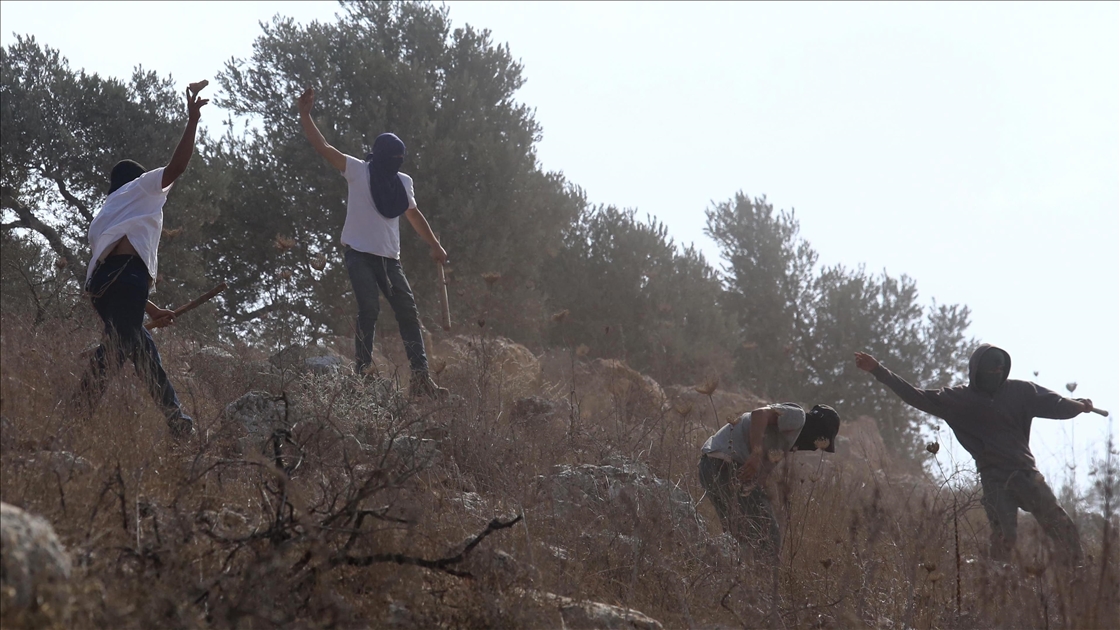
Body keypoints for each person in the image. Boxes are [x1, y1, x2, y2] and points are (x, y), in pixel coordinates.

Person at [855, 345, 1096, 566]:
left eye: (1001, 368)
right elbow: (915, 395)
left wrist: (1077, 405)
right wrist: (879, 370)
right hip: (994, 478)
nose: (998, 372)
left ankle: (1078, 578)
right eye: (992, 368)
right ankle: (997, 590)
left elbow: (1056, 404)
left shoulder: (1021, 391)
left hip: (1027, 473)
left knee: (1062, 527)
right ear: (978, 370)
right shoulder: (958, 399)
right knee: (1004, 539)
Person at [76, 82, 209, 439]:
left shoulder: (106, 213)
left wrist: (149, 310)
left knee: (142, 350)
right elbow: (177, 166)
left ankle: (176, 419)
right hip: (126, 280)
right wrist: (192, 121)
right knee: (118, 349)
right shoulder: (141, 187)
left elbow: (112, 267)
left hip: (102, 289)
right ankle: (74, 415)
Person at [297, 87, 448, 399]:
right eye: (392, 158)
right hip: (359, 256)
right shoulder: (356, 170)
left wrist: (434, 244)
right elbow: (323, 146)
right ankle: (362, 372)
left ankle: (420, 379)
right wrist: (305, 115)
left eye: (399, 160)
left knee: (408, 313)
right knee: (368, 308)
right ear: (379, 156)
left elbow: (413, 214)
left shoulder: (402, 182)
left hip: (389, 260)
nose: (396, 163)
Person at [699, 402, 840, 557]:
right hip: (725, 465)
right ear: (818, 430)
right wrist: (756, 453)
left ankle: (723, 575)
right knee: (769, 536)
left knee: (738, 536)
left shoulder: (782, 442)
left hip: (708, 467)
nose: (814, 448)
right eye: (819, 442)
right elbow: (759, 414)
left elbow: (759, 479)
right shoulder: (799, 417)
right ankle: (765, 579)